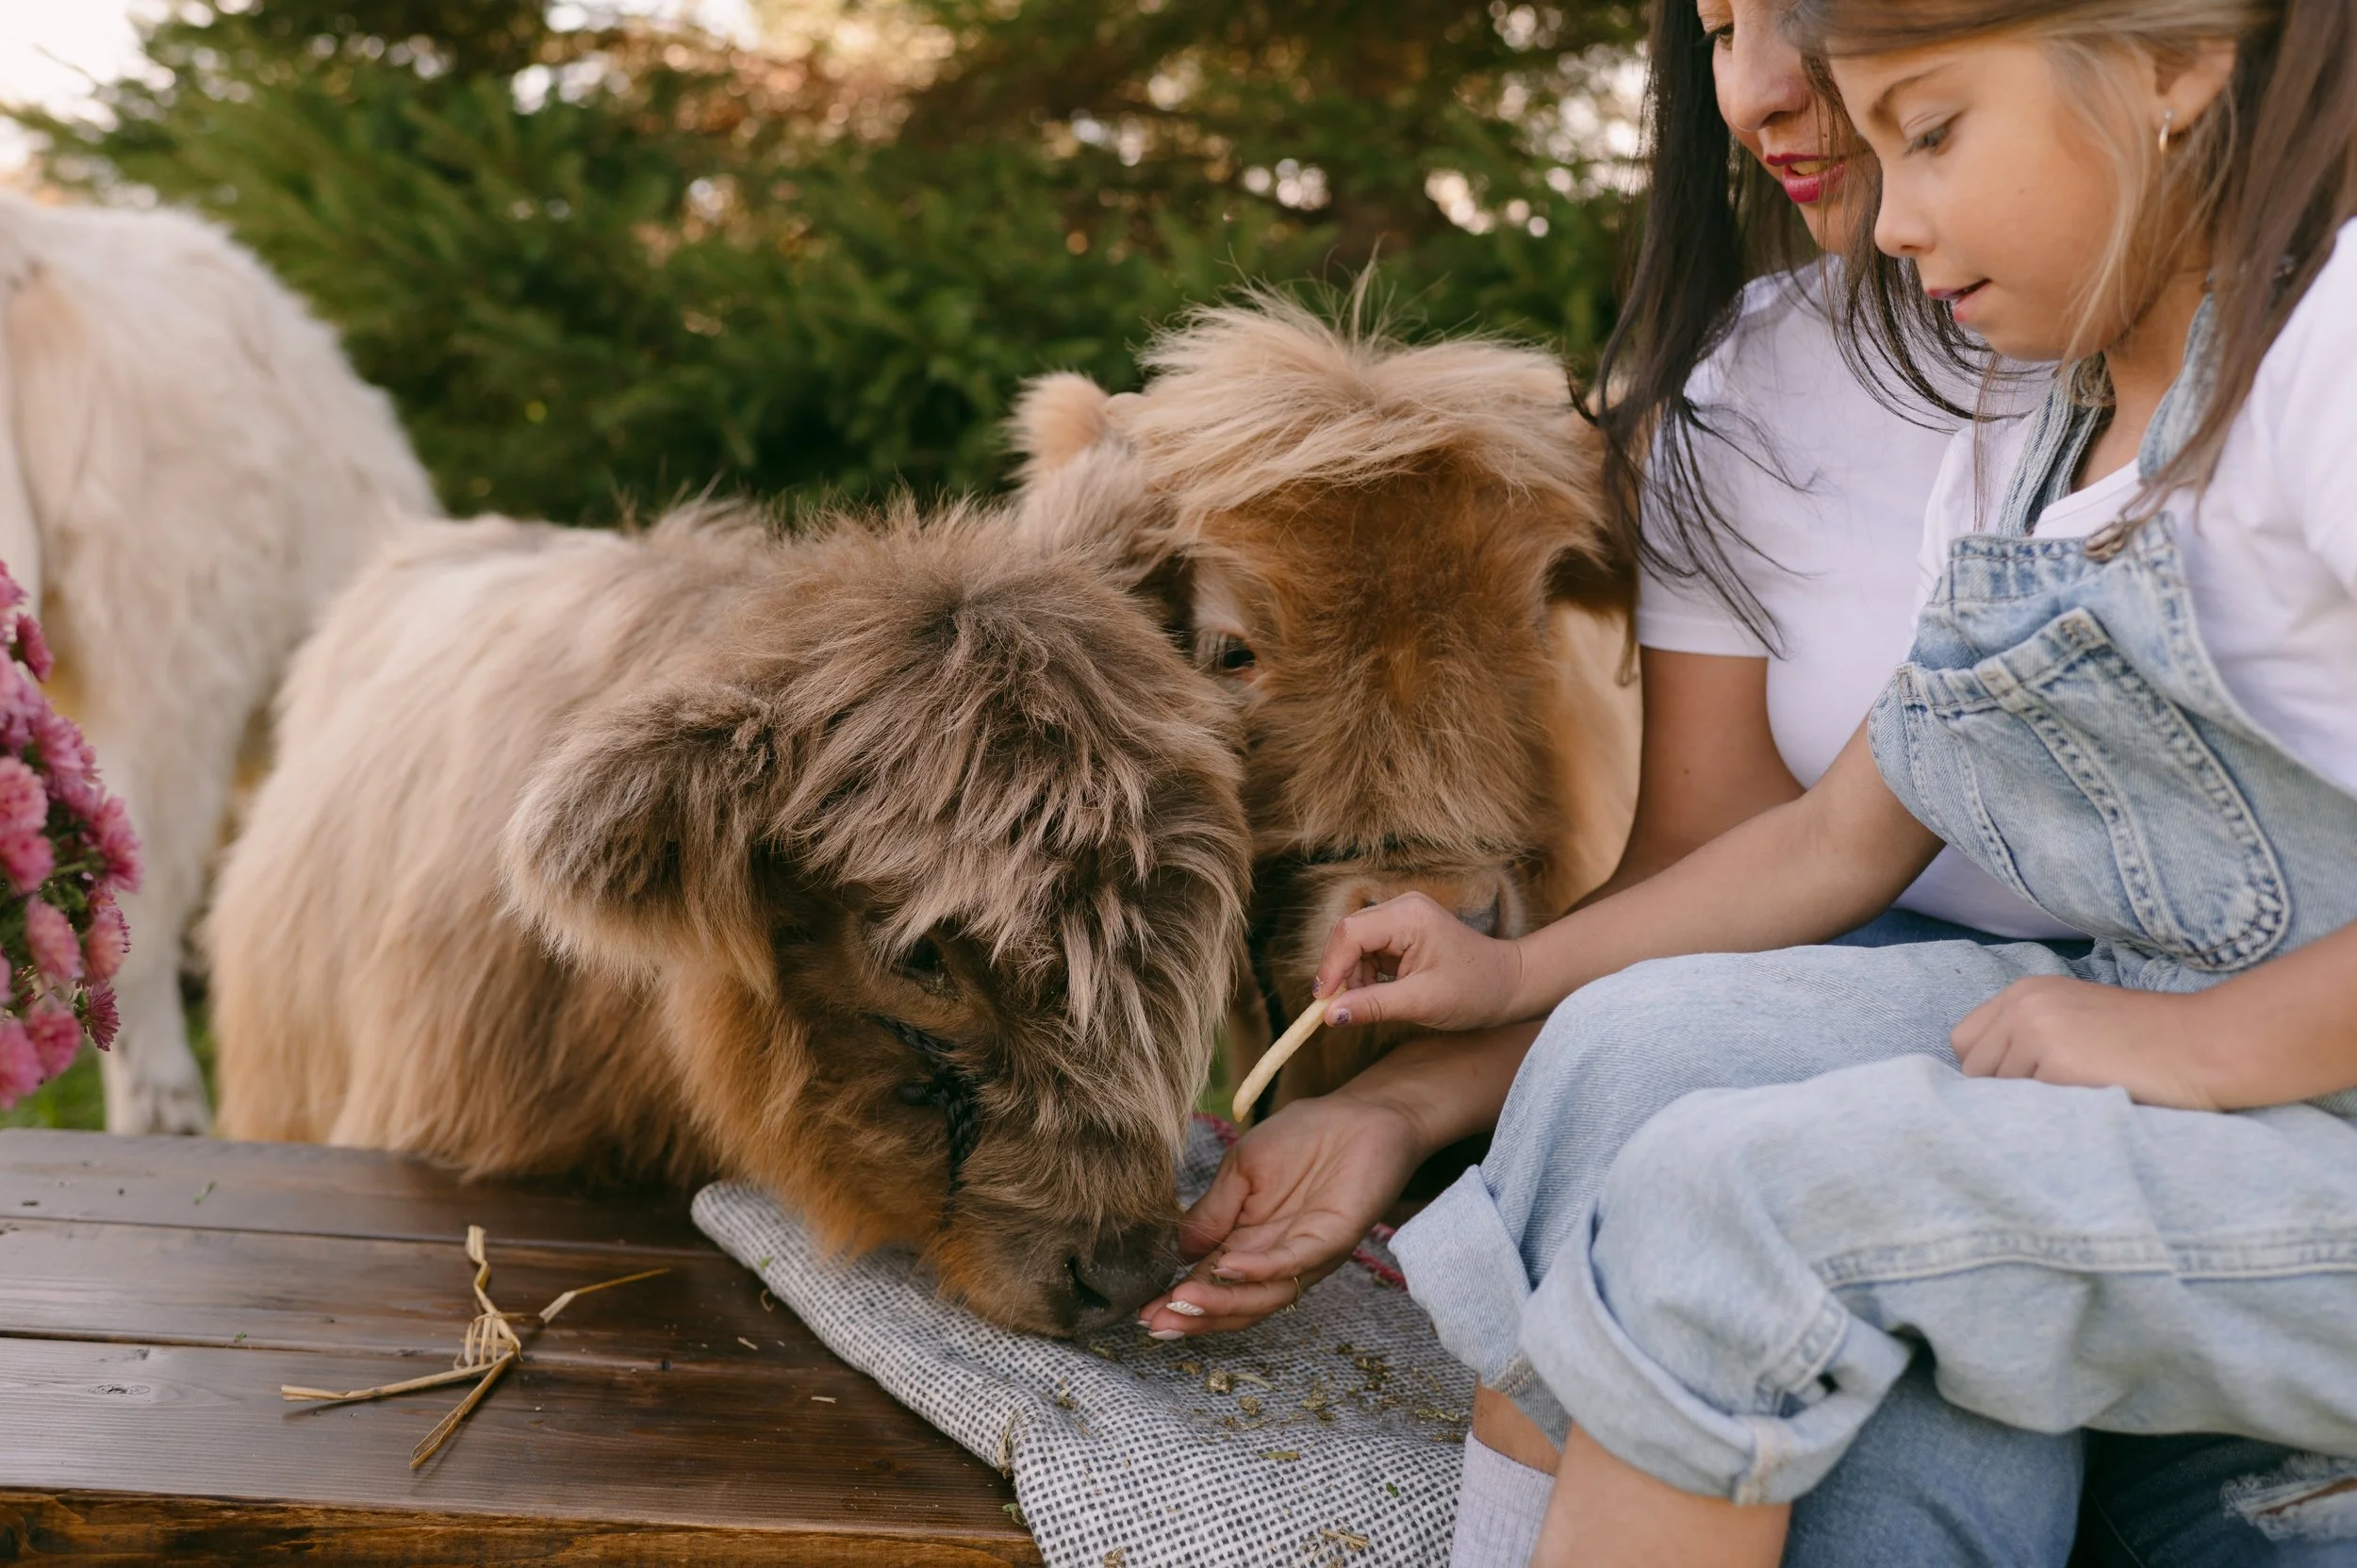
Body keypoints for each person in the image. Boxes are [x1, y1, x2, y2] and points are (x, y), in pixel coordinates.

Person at [1305, 0, 2357, 1561]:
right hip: (2200, 1077)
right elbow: (1836, 833)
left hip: (2297, 1128)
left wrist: (2197, 1038)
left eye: (1931, 132)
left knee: (1751, 1209)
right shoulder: (2032, 449)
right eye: (1883, 145)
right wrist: (1515, 969)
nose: (1901, 209)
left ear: (2178, 63)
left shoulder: (2327, 364)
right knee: (1640, 1043)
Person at [1139, 0, 2090, 1560]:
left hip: (2182, 1044)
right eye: (1718, 26)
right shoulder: (1762, 384)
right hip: (1870, 1042)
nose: (1762, 92)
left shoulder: (2233, 383)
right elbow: (1762, 858)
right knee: (1904, 1460)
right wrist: (1393, 1102)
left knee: (1669, 1065)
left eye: (1814, 11)